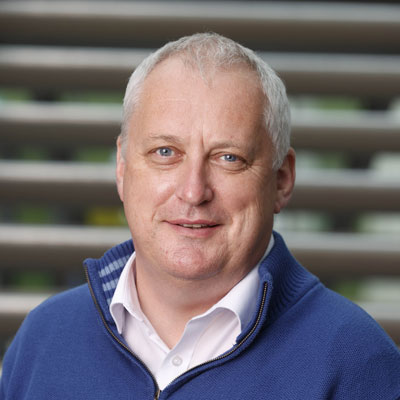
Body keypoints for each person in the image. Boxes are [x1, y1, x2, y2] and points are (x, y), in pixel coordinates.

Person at [1, 33, 399, 400]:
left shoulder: (357, 363)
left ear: (281, 180)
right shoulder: (43, 340)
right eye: (165, 152)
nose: (193, 191)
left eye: (229, 158)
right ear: (122, 168)